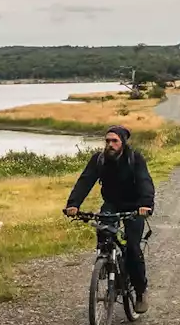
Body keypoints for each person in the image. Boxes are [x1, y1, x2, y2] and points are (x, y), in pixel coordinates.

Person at [64, 124, 155, 312]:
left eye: (114, 141)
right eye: (107, 141)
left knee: (132, 246)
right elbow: (85, 180)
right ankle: (106, 262)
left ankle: (140, 291)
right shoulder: (99, 159)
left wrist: (146, 205)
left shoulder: (134, 158)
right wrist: (73, 204)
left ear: (123, 142)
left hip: (135, 206)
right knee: (103, 231)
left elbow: (145, 181)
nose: (110, 145)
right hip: (112, 204)